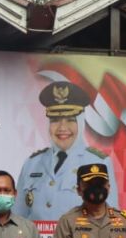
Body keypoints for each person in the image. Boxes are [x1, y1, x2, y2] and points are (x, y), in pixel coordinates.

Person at [14, 81, 117, 221]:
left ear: (80, 123)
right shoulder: (32, 163)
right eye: (55, 120)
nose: (62, 127)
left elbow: (110, 218)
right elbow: (18, 216)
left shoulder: (98, 162)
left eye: (70, 120)